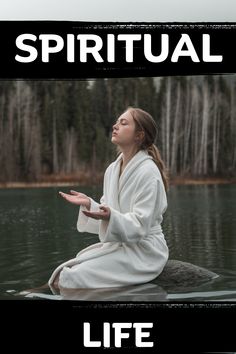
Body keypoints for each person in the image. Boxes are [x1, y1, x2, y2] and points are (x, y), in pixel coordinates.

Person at [48, 106, 169, 289]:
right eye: (116, 121)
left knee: (72, 278)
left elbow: (140, 225)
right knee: (65, 271)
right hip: (120, 246)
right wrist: (89, 204)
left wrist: (110, 216)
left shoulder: (148, 172)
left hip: (145, 251)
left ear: (139, 135)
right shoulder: (112, 169)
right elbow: (108, 211)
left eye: (123, 123)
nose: (115, 126)